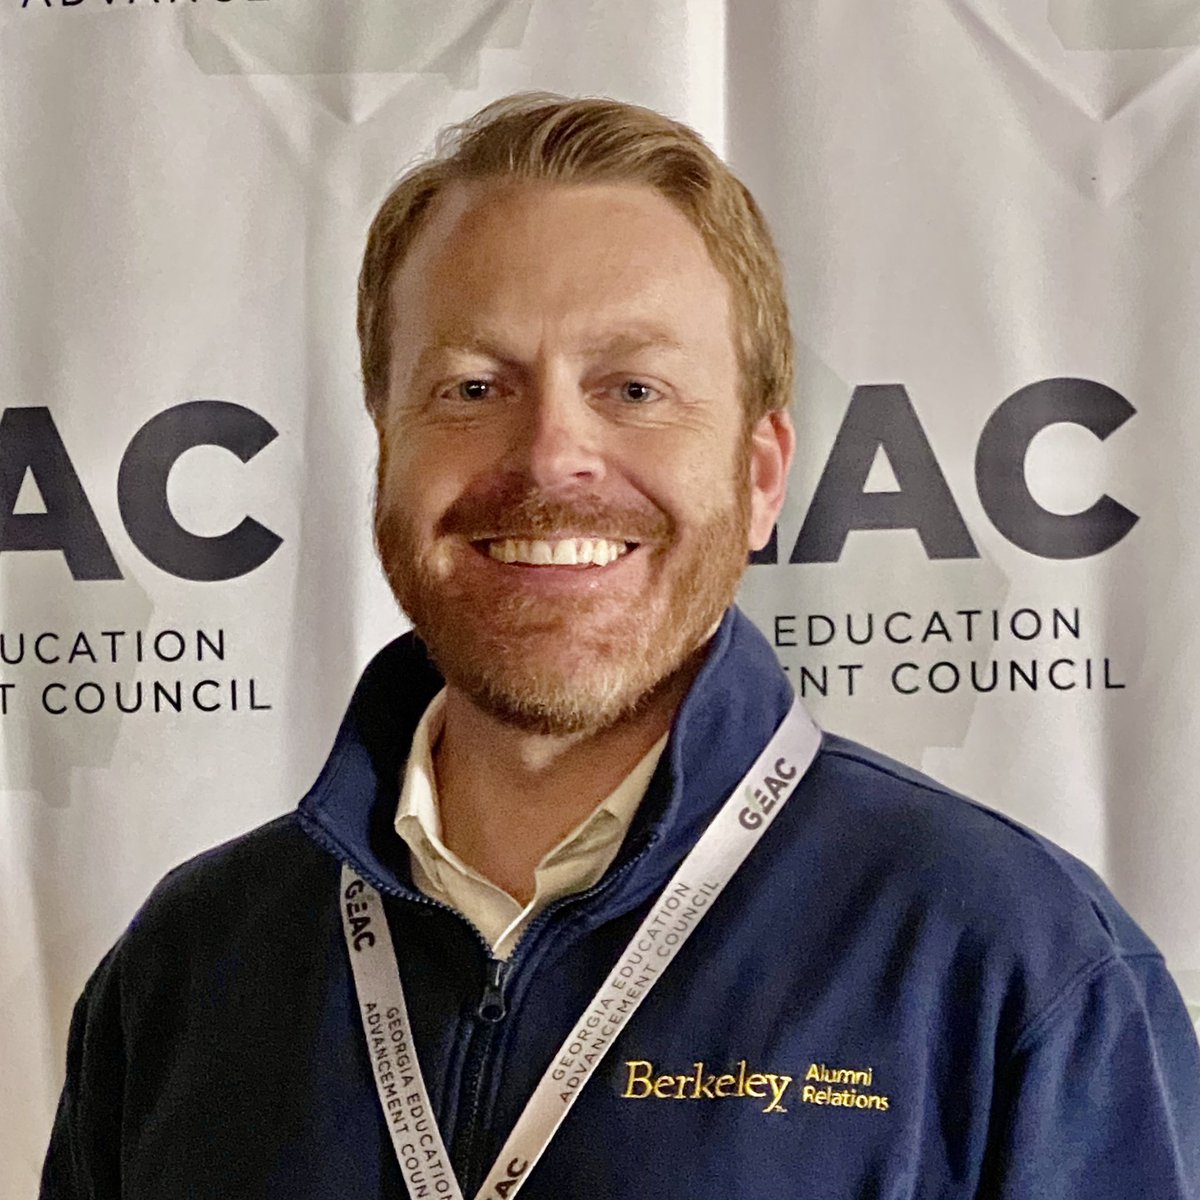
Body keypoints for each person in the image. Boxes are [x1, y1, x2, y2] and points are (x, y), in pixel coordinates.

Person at [41, 93, 1199, 1200]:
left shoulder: (1017, 966)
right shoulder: (186, 973)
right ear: (385, 450)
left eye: (635, 388)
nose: (551, 458)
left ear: (757, 476)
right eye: (472, 386)